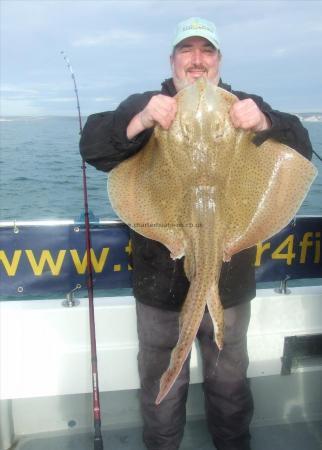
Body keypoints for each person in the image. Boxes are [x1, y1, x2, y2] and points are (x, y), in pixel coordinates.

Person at [80, 17, 313, 450]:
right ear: (172, 60)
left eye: (206, 51)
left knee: (228, 379)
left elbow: (301, 147)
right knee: (160, 381)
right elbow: (94, 147)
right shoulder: (148, 104)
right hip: (159, 280)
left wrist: (264, 122)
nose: (197, 60)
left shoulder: (245, 104)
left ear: (219, 60)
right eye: (187, 50)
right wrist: (143, 119)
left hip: (232, 273)